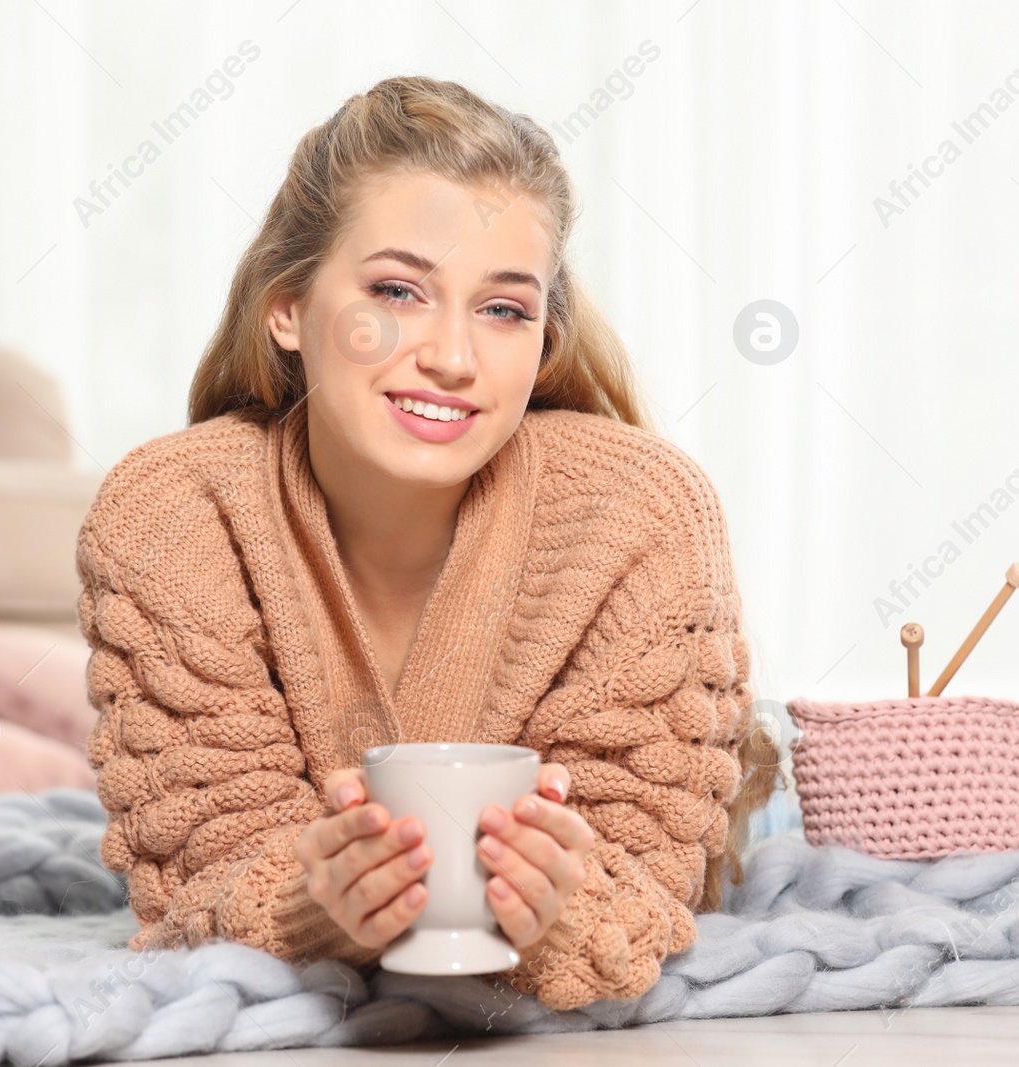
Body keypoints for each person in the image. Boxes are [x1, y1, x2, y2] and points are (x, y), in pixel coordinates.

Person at [76, 75, 779, 1012]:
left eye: (503, 309)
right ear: (287, 307)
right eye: (398, 291)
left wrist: (557, 910)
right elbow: (196, 878)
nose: (453, 356)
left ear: (544, 339)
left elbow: (646, 889)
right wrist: (312, 900)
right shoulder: (168, 516)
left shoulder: (644, 512)